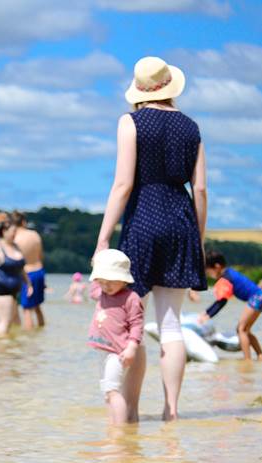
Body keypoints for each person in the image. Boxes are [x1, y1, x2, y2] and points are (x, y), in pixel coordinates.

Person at [94, 56, 207, 421]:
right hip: (180, 221)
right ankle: (171, 411)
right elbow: (200, 189)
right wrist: (198, 239)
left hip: (142, 221)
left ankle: (131, 412)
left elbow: (123, 184)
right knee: (171, 325)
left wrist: (103, 239)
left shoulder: (130, 122)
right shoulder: (191, 127)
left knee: (135, 326)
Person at [88, 250, 145, 425]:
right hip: (103, 351)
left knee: (113, 390)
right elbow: (92, 288)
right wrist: (96, 262)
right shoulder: (101, 293)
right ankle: (112, 425)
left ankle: (120, 428)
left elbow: (137, 325)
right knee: (107, 392)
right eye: (102, 281)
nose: (106, 286)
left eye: (111, 281)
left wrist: (132, 347)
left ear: (124, 279)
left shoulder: (131, 298)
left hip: (118, 353)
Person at [199, 251, 262, 361]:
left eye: (208, 270)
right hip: (261, 297)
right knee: (245, 330)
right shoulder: (229, 273)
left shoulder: (226, 279)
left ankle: (247, 360)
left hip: (256, 298)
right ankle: (261, 355)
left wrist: (207, 316)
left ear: (217, 267)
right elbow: (221, 300)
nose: (207, 274)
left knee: (241, 329)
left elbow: (222, 302)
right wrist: (206, 312)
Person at [11, 211, 47, 329]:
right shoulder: (35, 235)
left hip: (26, 274)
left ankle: (29, 337)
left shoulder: (14, 238)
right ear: (23, 222)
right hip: (39, 271)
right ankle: (42, 331)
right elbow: (41, 256)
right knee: (37, 306)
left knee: (26, 309)